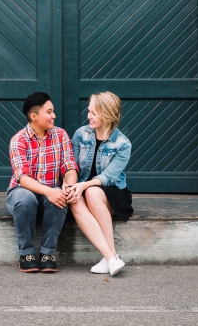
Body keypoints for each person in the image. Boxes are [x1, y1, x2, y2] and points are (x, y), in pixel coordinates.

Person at [6, 92, 78, 273]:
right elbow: (22, 178)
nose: (54, 116)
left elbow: (69, 166)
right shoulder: (18, 140)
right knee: (26, 198)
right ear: (34, 116)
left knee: (60, 199)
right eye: (49, 112)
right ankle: (26, 253)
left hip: (50, 192)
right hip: (20, 192)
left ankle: (47, 253)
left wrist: (69, 184)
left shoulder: (60, 135)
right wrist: (49, 191)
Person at [66, 91, 133, 276]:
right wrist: (70, 184)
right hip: (83, 189)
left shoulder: (122, 144)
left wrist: (83, 186)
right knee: (75, 198)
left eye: (94, 113)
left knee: (92, 192)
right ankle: (111, 257)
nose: (88, 116)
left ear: (107, 113)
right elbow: (70, 164)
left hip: (113, 194)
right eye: (89, 111)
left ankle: (109, 256)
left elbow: (108, 177)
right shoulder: (82, 134)